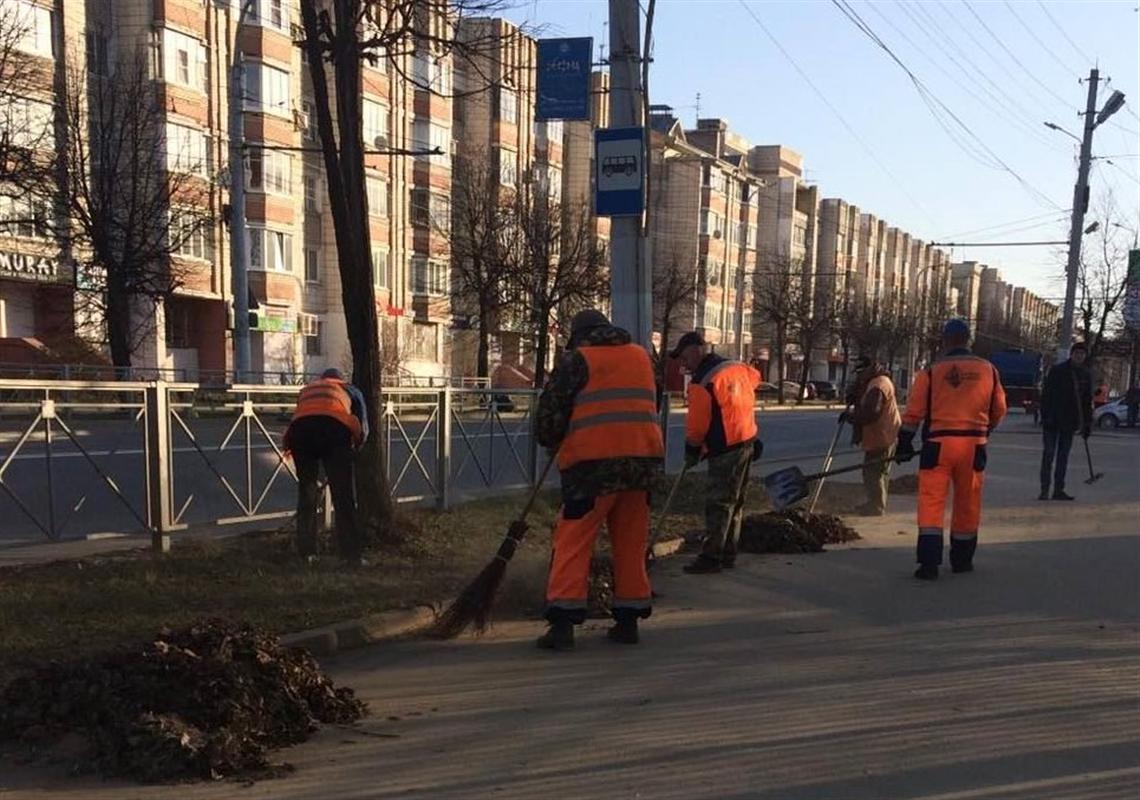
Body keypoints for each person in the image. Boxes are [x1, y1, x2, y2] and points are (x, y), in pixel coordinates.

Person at [534, 309, 664, 651]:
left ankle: (562, 623)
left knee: (573, 542)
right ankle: (628, 620)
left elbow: (549, 417)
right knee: (630, 543)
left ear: (578, 337)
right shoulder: (642, 357)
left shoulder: (577, 360)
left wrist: (552, 438)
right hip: (642, 467)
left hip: (592, 468)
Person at [896, 319, 1007, 580]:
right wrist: (985, 428)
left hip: (938, 445)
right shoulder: (988, 370)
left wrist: (904, 443)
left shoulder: (932, 372)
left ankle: (929, 564)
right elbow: (999, 408)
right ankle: (962, 560)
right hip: (973, 445)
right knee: (968, 502)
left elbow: (914, 413)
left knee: (931, 502)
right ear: (967, 339)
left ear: (945, 341)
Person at [671, 332, 762, 574]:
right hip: (747, 441)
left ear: (695, 350)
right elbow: (752, 385)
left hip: (725, 449)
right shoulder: (736, 368)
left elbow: (697, 426)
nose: (683, 363)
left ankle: (712, 557)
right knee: (735, 502)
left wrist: (692, 449)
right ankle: (728, 552)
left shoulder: (703, 381)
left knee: (719, 503)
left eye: (683, 357)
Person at [283, 368, 368, 564]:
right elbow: (362, 424)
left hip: (299, 434)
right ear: (340, 379)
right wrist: (356, 447)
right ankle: (351, 555)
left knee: (307, 493)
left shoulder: (307, 389)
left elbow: (302, 416)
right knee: (343, 496)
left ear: (322, 379)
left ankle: (307, 554)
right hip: (334, 431)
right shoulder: (349, 389)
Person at [844, 357, 901, 516]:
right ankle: (876, 503)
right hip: (882, 434)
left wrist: (851, 417)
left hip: (883, 435)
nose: (858, 376)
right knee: (878, 472)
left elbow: (871, 413)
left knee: (873, 472)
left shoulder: (878, 385)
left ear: (868, 370)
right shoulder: (874, 382)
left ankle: (876, 506)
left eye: (860, 373)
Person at [1038, 342, 1092, 501]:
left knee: (1063, 457)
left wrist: (1087, 424)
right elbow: (1046, 395)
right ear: (1072, 354)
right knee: (1048, 455)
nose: (1079, 356)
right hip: (1052, 420)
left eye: (1082, 354)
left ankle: (1058, 490)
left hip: (1069, 422)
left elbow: (1086, 402)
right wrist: (1045, 415)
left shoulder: (1085, 375)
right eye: (1077, 353)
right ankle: (1044, 489)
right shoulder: (1058, 371)